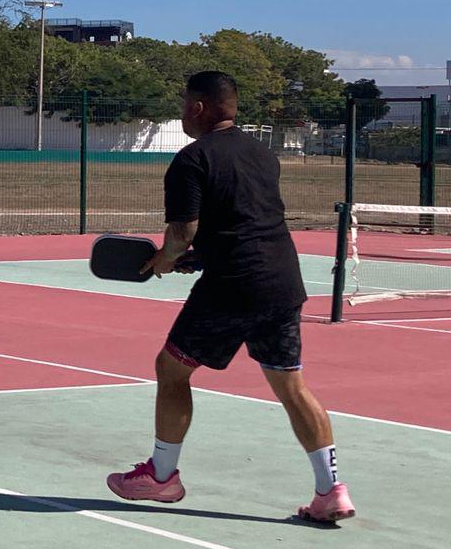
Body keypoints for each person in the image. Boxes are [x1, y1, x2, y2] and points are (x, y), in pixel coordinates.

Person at [107, 71, 354, 522]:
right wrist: (200, 257)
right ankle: (331, 490)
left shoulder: (191, 159)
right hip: (283, 282)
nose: (183, 112)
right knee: (292, 386)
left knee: (171, 369)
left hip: (233, 286)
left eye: (185, 104)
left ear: (198, 107)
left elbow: (183, 231)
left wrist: (165, 259)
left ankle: (161, 477)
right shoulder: (263, 154)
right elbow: (243, 219)